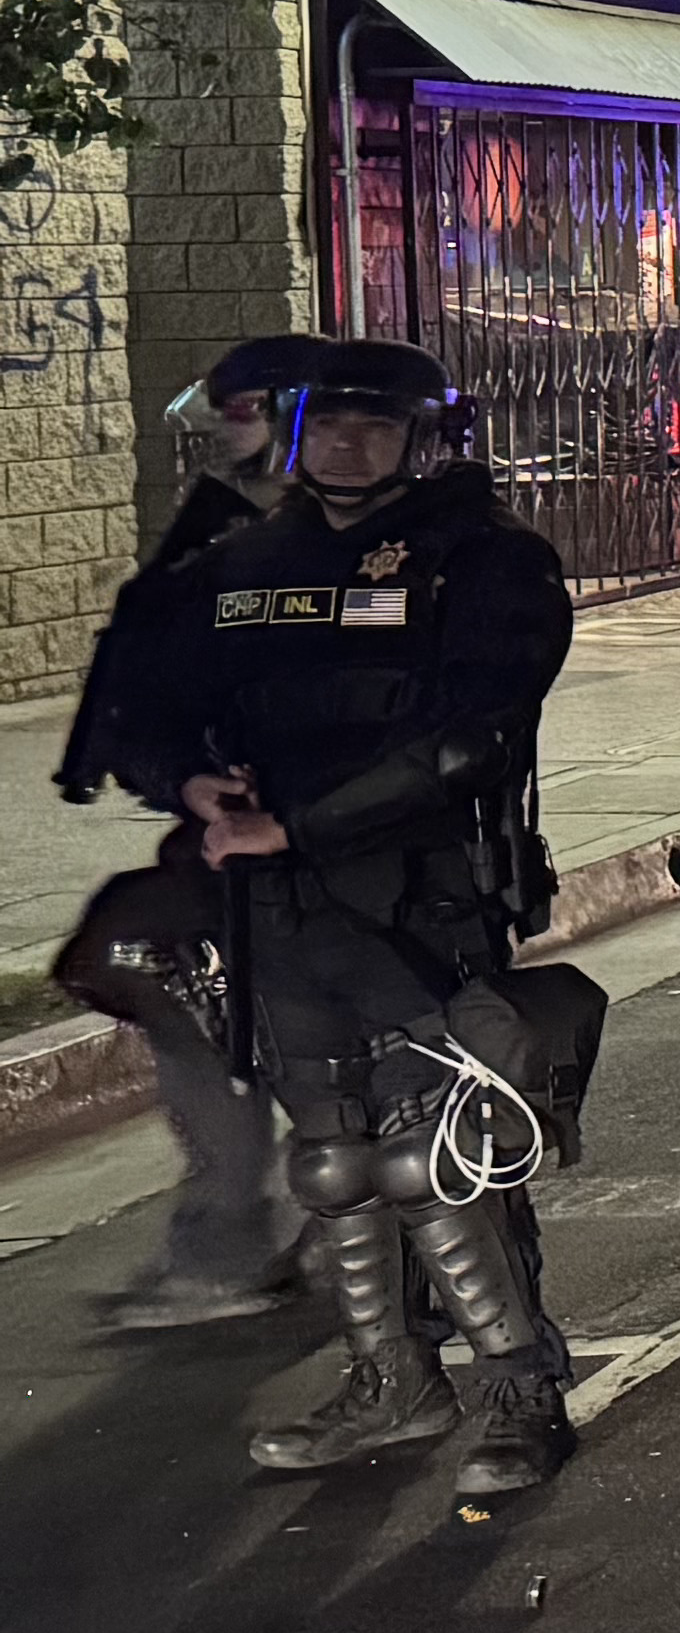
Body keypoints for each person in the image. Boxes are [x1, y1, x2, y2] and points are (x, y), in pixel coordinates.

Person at [89, 340, 581, 1487]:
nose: (348, 444)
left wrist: (302, 827)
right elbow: (152, 707)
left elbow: (476, 735)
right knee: (330, 1160)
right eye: (328, 423)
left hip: (423, 899)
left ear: (422, 436)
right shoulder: (245, 559)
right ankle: (390, 1382)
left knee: (437, 1159)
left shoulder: (485, 560)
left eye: (377, 424)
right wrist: (189, 783)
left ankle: (521, 1389)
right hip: (275, 908)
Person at [47, 338, 324, 1331]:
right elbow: (140, 700)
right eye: (226, 409)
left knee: (347, 1055)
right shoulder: (211, 538)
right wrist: (189, 780)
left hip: (364, 840)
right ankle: (224, 1245)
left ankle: (370, 1227)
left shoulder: (410, 531)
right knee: (194, 1008)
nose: (231, 428)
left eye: (249, 406)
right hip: (227, 846)